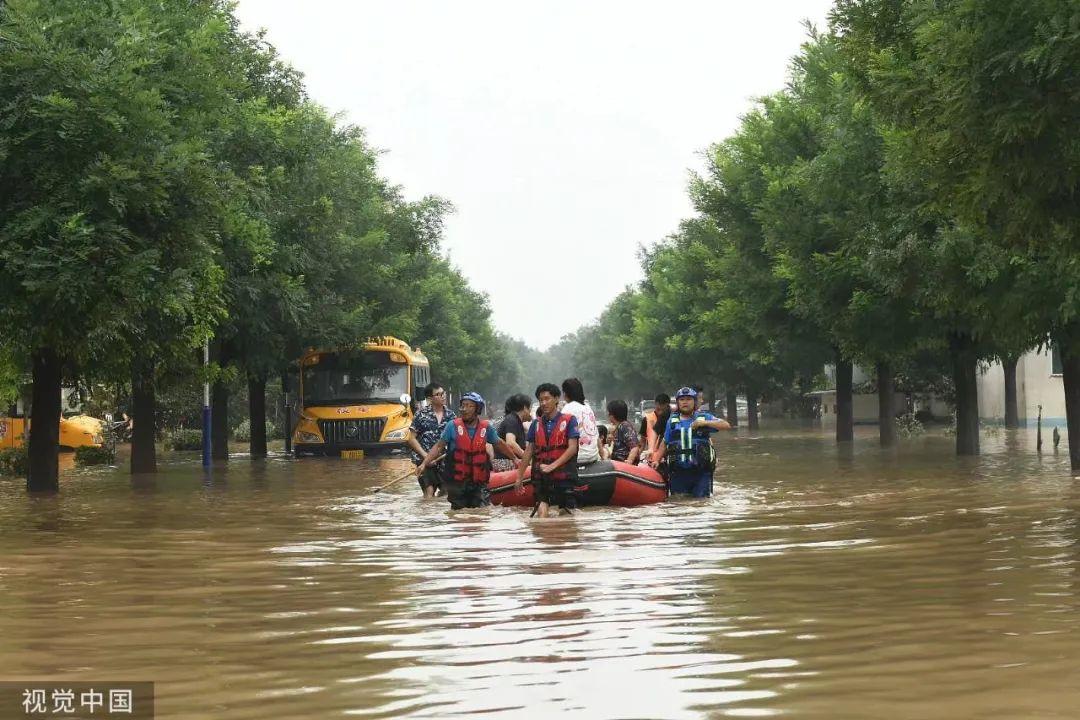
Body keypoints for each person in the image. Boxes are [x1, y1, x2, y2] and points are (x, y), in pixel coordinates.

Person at [415, 392, 516, 509]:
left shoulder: (486, 428)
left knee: (483, 511)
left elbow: (500, 444)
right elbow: (438, 447)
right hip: (457, 482)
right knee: (459, 514)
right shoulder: (452, 426)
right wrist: (424, 464)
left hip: (479, 483)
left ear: (478, 409)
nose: (464, 409)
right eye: (463, 405)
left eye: (469, 406)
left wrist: (515, 459)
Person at [516, 383, 580, 517]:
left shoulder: (570, 421)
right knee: (541, 506)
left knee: (566, 512)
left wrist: (552, 466)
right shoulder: (536, 424)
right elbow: (529, 451)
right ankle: (543, 532)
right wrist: (519, 478)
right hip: (542, 477)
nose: (543, 403)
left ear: (557, 399)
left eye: (547, 399)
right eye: (540, 400)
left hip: (564, 477)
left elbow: (572, 448)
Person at [654, 386, 731, 498]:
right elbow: (665, 443)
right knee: (679, 501)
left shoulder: (704, 417)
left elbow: (726, 425)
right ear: (678, 403)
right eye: (682, 399)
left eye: (689, 399)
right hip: (678, 473)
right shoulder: (672, 421)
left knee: (701, 502)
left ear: (694, 401)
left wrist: (704, 423)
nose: (685, 402)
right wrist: (656, 460)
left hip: (701, 473)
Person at [405, 382, 456, 498]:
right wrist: (426, 457)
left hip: (444, 460)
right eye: (438, 394)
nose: (443, 396)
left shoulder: (451, 415)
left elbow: (455, 438)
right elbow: (411, 439)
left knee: (446, 492)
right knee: (429, 491)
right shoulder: (421, 415)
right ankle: (426, 513)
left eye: (443, 393)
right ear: (430, 398)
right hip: (423, 460)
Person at [559, 377, 599, 464]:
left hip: (579, 457)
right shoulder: (588, 407)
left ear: (565, 393)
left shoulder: (568, 408)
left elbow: (559, 434)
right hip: (593, 455)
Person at [493, 393, 532, 472]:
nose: (530, 412)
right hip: (505, 462)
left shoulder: (516, 421)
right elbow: (511, 443)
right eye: (530, 408)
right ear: (525, 408)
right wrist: (528, 459)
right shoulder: (512, 420)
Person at [606, 399, 641, 464]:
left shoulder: (625, 426)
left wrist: (629, 461)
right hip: (617, 464)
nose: (608, 415)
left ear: (613, 415)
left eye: (609, 412)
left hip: (624, 468)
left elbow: (635, 447)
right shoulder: (616, 427)